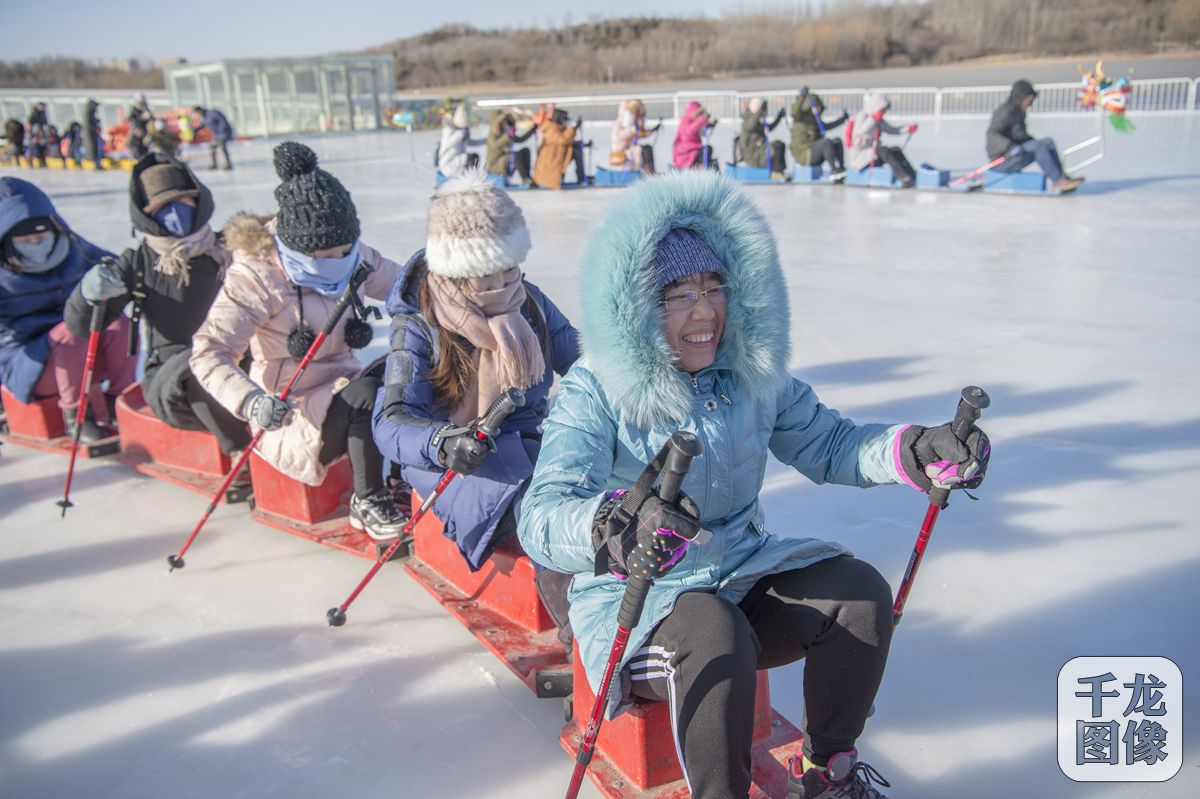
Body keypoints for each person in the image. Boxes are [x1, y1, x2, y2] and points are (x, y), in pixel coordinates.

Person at [518, 172, 991, 799]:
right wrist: (614, 525)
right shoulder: (595, 389)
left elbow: (831, 444)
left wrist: (913, 449)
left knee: (859, 596)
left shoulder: (750, 376)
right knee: (717, 630)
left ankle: (830, 771)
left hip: (739, 569)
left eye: (714, 287)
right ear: (636, 308)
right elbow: (541, 518)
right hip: (641, 600)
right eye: (678, 294)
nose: (705, 311)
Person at [372, 170, 580, 635]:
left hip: (525, 444)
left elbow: (580, 359)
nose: (507, 282)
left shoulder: (528, 302)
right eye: (492, 272)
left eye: (512, 266)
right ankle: (586, 646)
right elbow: (390, 422)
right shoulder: (420, 323)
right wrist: (444, 443)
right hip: (456, 463)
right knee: (550, 509)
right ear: (459, 269)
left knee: (603, 487)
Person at [189, 142, 408, 539]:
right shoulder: (257, 277)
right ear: (298, 246)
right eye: (327, 256)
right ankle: (368, 500)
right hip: (291, 415)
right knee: (367, 396)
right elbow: (209, 352)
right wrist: (252, 402)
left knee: (401, 375)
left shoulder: (351, 254)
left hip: (341, 388)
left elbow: (407, 285)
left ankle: (402, 475)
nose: (339, 261)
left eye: (346, 250)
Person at [63, 153, 251, 466]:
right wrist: (87, 295)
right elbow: (84, 327)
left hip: (237, 357)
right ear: (147, 215)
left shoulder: (227, 248)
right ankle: (241, 451)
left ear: (198, 201)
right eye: (163, 207)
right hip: (174, 375)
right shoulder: (136, 263)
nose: (176, 212)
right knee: (200, 369)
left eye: (183, 201)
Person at [0, 178, 135, 441]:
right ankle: (77, 417)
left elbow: (120, 268)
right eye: (26, 240)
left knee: (119, 324)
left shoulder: (73, 249)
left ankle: (119, 400)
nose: (36, 245)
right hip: (30, 365)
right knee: (73, 331)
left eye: (41, 237)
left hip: (83, 356)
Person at [987, 79, 1084, 193]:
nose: (1031, 103)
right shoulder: (1005, 112)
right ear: (1020, 98)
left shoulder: (1018, 112)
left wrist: (1033, 143)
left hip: (1016, 153)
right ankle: (1058, 181)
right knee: (1038, 146)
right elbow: (992, 134)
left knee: (1047, 142)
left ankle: (1060, 177)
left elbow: (1020, 135)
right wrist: (1009, 146)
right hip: (1002, 160)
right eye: (1029, 100)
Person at [846, 94, 917, 187]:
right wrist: (873, 119)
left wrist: (907, 129)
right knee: (883, 150)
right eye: (883, 109)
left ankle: (912, 175)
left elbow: (891, 130)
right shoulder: (862, 116)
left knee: (895, 150)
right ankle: (903, 177)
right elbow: (858, 134)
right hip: (860, 158)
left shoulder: (878, 119)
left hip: (872, 156)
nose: (884, 112)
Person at [790, 87, 848, 181]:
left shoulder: (816, 120)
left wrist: (843, 119)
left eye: (819, 107)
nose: (818, 109)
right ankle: (834, 170)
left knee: (837, 141)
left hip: (815, 151)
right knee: (825, 142)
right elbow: (794, 112)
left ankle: (841, 168)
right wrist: (802, 96)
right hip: (805, 154)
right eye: (815, 107)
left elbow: (828, 126)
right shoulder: (800, 118)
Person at [533, 108, 585, 189]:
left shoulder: (558, 127)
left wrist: (580, 141)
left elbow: (567, 140)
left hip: (557, 155)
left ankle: (581, 178)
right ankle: (579, 179)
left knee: (576, 151)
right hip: (551, 157)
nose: (565, 121)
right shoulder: (550, 127)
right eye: (564, 119)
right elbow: (562, 140)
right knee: (554, 171)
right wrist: (573, 129)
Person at [737, 97, 787, 179]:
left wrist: (779, 117)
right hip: (753, 155)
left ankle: (780, 171)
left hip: (760, 150)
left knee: (779, 144)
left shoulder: (758, 120)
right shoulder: (747, 120)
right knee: (776, 147)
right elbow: (751, 125)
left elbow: (768, 128)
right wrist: (760, 110)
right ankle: (775, 173)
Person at [486, 108, 536, 187]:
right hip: (496, 165)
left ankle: (527, 177)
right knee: (515, 156)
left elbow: (519, 139)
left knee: (525, 151)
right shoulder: (492, 134)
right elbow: (495, 146)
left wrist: (532, 130)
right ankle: (524, 179)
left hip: (506, 159)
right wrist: (508, 136)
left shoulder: (504, 130)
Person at [610, 99, 659, 174]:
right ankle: (649, 172)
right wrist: (633, 129)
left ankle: (651, 171)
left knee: (647, 148)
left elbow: (639, 134)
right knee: (643, 151)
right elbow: (620, 136)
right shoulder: (619, 124)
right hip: (620, 154)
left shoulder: (633, 125)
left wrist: (651, 131)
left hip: (629, 151)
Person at [435, 104, 481, 179]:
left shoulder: (462, 131)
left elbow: (470, 142)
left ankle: (472, 178)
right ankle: (471, 179)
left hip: (459, 161)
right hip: (448, 162)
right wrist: (460, 134)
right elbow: (448, 144)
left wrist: (485, 141)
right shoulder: (449, 130)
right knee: (470, 158)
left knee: (474, 157)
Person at [673, 101, 718, 171]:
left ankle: (708, 170)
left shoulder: (695, 122)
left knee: (707, 150)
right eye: (698, 113)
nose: (699, 116)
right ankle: (700, 170)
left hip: (693, 153)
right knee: (706, 150)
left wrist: (710, 125)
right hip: (684, 155)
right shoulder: (685, 121)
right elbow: (689, 133)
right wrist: (702, 119)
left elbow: (702, 130)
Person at [191, 106, 234, 171]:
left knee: (222, 146)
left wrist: (221, 130)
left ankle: (228, 164)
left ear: (198, 111)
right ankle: (214, 164)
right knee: (212, 147)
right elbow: (202, 125)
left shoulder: (212, 113)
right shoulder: (204, 116)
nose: (196, 115)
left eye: (195, 113)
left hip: (224, 132)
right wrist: (195, 130)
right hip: (217, 135)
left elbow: (222, 120)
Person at [127, 94, 155, 159]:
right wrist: (140, 119)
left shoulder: (146, 109)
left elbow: (151, 119)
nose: (142, 104)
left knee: (147, 144)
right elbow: (131, 120)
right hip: (138, 132)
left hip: (146, 132)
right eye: (140, 102)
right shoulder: (135, 110)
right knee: (137, 145)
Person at [26, 104, 50, 168]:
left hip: (41, 135)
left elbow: (45, 125)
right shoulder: (33, 115)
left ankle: (42, 162)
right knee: (32, 148)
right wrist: (33, 136)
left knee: (41, 149)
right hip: (34, 135)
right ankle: (30, 162)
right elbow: (30, 126)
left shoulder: (43, 115)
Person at [84, 99, 104, 170]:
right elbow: (88, 125)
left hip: (92, 134)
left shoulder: (91, 113)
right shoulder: (89, 114)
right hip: (90, 135)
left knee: (95, 149)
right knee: (93, 149)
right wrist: (95, 127)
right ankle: (96, 164)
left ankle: (97, 164)